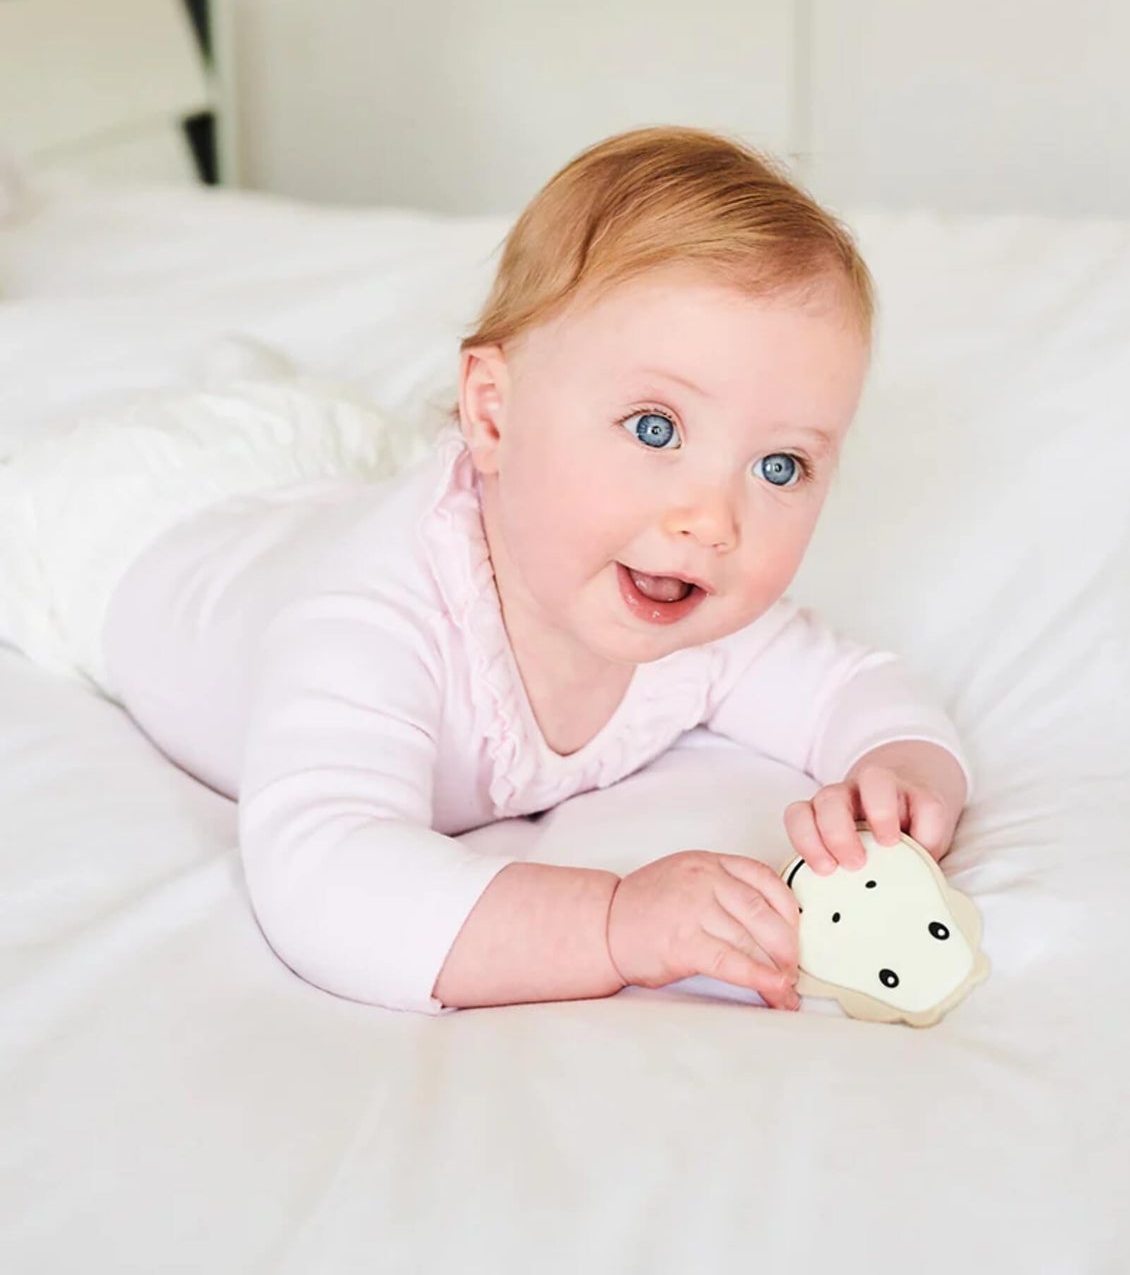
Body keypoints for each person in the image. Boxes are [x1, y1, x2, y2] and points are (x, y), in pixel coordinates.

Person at [0, 127, 971, 1015]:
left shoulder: (686, 600)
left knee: (321, 453)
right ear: (494, 415)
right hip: (150, 529)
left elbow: (851, 686)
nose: (712, 519)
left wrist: (901, 767)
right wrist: (611, 922)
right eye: (653, 427)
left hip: (315, 496)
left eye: (779, 466)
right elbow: (325, 875)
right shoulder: (371, 622)